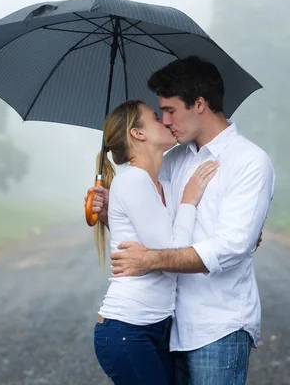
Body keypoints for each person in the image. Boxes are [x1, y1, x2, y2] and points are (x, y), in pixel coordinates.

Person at [86, 56, 276, 385]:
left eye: (170, 110)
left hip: (218, 326)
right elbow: (149, 224)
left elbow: (232, 247)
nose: (166, 120)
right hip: (169, 326)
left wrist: (150, 260)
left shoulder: (249, 161)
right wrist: (110, 213)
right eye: (160, 114)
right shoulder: (174, 160)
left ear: (199, 104)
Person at [91, 99, 220, 385]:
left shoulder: (158, 183)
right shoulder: (134, 181)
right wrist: (189, 199)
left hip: (154, 328)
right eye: (154, 116)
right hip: (128, 330)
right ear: (138, 134)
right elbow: (171, 256)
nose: (165, 120)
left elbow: (164, 243)